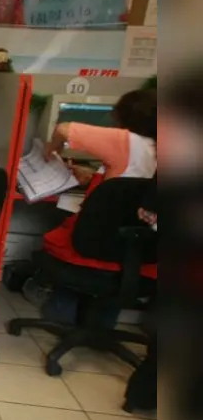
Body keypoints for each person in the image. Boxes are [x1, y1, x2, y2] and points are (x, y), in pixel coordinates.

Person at [38, 88, 158, 328]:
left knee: (66, 235)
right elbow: (134, 184)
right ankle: (100, 326)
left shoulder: (127, 140)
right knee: (121, 256)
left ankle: (61, 315)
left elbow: (64, 129)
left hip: (95, 244)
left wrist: (52, 148)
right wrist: (96, 176)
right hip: (143, 251)